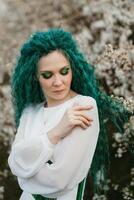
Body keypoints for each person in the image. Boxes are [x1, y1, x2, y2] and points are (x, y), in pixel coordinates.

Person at [8, 28, 131, 200]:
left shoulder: (84, 106)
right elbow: (14, 163)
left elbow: (60, 181)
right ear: (35, 76)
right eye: (47, 75)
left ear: (73, 68)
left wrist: (26, 173)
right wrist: (56, 132)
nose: (58, 82)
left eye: (64, 71)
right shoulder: (30, 111)